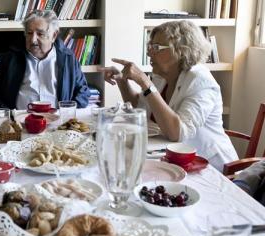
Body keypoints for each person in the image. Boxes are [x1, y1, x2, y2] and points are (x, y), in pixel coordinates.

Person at [100, 20, 238, 170]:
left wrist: (145, 83)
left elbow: (177, 133)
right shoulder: (162, 76)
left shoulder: (201, 81)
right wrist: (121, 80)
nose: (149, 53)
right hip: (177, 161)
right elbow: (139, 106)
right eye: (150, 47)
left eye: (156, 47)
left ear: (182, 50)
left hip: (213, 167)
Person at [0, 10, 91, 110]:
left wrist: (68, 113)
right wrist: (8, 115)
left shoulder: (68, 58)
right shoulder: (11, 58)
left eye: (40, 34)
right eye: (29, 33)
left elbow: (83, 92)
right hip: (19, 123)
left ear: (54, 35)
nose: (33, 40)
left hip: (58, 122)